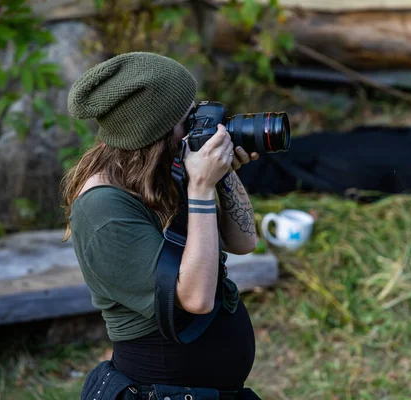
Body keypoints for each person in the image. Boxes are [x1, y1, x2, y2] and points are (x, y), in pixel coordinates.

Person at [61, 52, 262, 399]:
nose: (204, 125)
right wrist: (200, 188)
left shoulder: (163, 171)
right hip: (159, 389)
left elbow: (244, 242)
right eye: (191, 118)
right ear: (157, 132)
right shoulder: (103, 209)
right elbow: (195, 299)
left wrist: (225, 174)